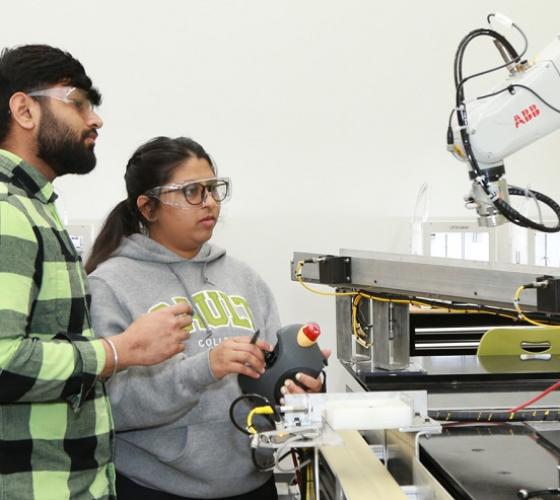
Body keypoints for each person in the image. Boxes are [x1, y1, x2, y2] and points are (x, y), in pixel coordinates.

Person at [86, 136, 326, 500]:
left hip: (253, 485)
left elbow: (266, 384)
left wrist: (298, 387)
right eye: (192, 191)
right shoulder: (109, 285)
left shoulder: (243, 278)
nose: (210, 202)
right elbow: (111, 407)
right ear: (148, 207)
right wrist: (206, 367)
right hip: (155, 489)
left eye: (213, 189)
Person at [0, 45, 192, 500]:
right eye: (79, 101)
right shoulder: (8, 211)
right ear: (24, 109)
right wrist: (119, 350)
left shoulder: (34, 208)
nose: (95, 119)